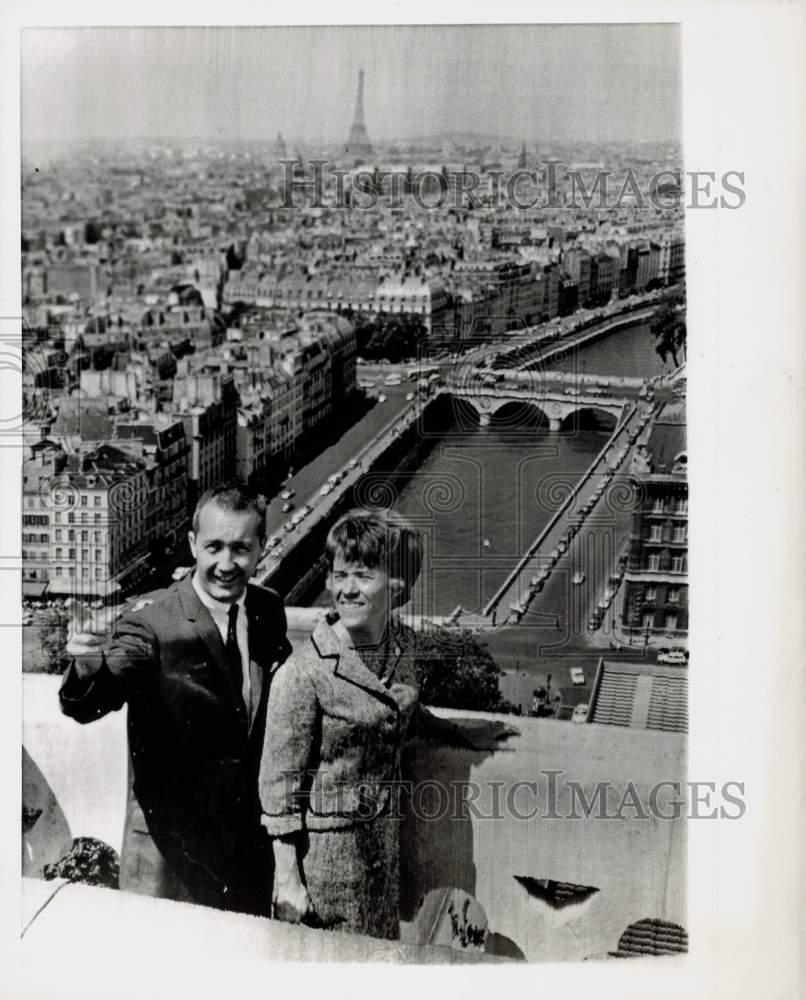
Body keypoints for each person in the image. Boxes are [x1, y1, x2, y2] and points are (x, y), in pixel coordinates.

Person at [259, 508, 516, 940]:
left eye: (362, 576)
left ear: (398, 588)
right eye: (339, 575)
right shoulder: (302, 674)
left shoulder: (402, 644)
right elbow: (278, 791)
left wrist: (459, 733)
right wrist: (288, 882)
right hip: (324, 870)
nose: (346, 590)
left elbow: (403, 715)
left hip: (383, 857)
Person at [59, 481, 291, 915]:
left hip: (245, 863)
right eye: (214, 547)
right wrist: (90, 664)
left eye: (241, 548)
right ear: (192, 545)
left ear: (262, 547)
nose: (226, 564)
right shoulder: (151, 624)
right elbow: (93, 699)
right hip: (169, 863)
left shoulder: (267, 610)